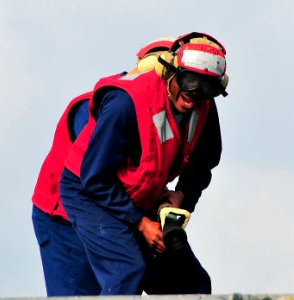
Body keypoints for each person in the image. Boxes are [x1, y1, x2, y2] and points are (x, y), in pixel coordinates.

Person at [59, 32, 228, 295]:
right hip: (89, 192)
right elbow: (94, 178)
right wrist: (141, 224)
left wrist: (182, 195)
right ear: (172, 73)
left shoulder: (204, 106)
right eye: (189, 80)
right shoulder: (126, 104)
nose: (194, 93)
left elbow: (203, 163)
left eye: (206, 86)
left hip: (141, 195)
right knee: (127, 271)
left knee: (191, 281)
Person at [31, 38, 174, 296]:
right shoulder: (106, 109)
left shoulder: (160, 112)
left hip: (115, 211)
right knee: (85, 293)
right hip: (64, 220)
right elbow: (99, 175)